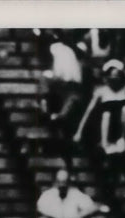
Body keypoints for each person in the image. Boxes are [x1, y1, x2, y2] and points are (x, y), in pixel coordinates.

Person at [39, 32, 84, 168]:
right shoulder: (64, 50)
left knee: (63, 121)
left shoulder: (57, 50)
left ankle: (66, 153)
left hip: (67, 89)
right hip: (63, 89)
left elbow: (58, 75)